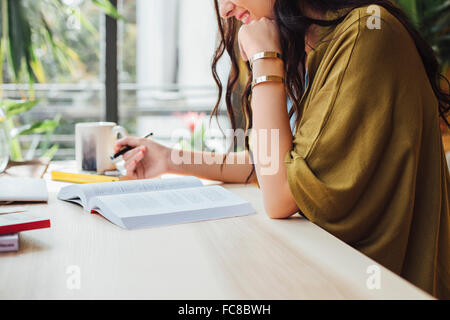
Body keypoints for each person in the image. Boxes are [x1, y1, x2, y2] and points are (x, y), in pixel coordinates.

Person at [115, 0, 450, 299]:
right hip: (327, 270)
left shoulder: (366, 34)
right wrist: (170, 158)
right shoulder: (317, 45)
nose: (225, 10)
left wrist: (265, 62)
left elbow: (280, 194)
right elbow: (278, 165)